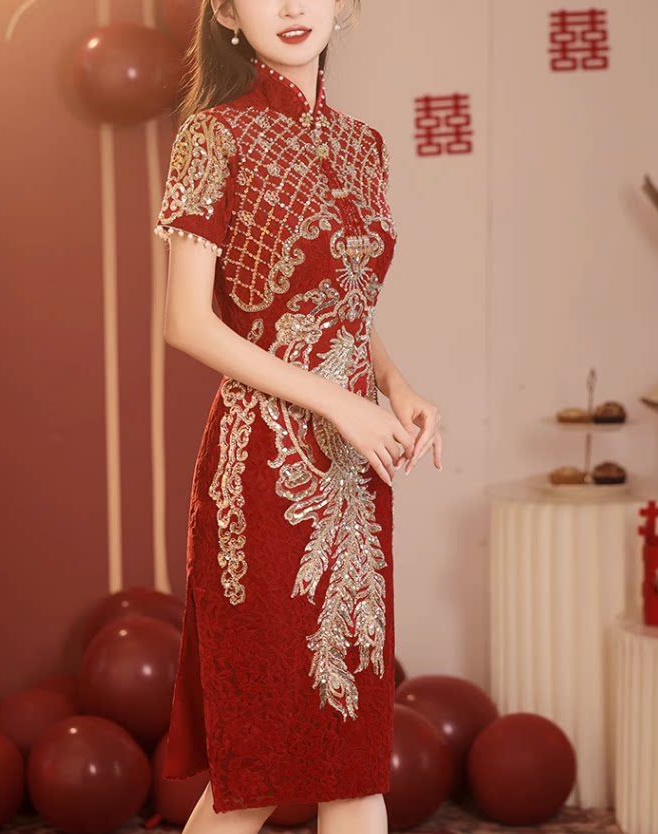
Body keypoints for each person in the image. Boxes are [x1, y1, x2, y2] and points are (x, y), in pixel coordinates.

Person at [153, 1, 443, 832]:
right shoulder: (214, 137)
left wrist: (393, 384)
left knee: (352, 762)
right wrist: (341, 401)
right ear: (225, 11)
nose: (290, 6)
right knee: (259, 770)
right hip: (263, 472)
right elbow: (186, 321)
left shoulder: (362, 145)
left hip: (353, 476)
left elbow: (343, 301)